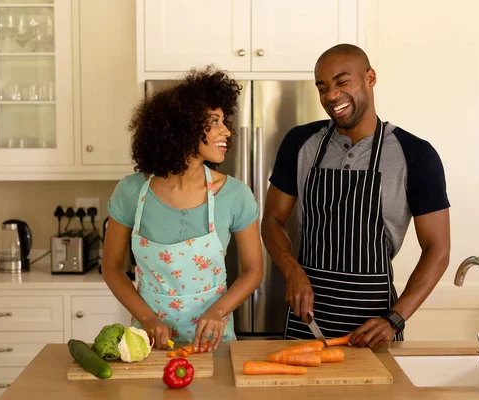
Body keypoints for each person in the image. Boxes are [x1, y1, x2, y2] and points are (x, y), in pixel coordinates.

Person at [261, 44, 451, 348]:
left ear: (370, 78)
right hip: (308, 321)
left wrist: (395, 319)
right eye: (322, 88)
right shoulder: (301, 143)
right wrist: (292, 271)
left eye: (341, 82)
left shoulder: (416, 154)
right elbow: (272, 219)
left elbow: (437, 249)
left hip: (375, 325)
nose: (331, 96)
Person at [102, 66, 263, 352]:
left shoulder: (235, 195)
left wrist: (217, 312)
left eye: (224, 121)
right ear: (182, 126)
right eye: (214, 122)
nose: (226, 130)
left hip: (215, 344)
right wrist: (147, 319)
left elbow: (253, 270)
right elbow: (112, 268)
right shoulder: (131, 192)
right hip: (149, 344)